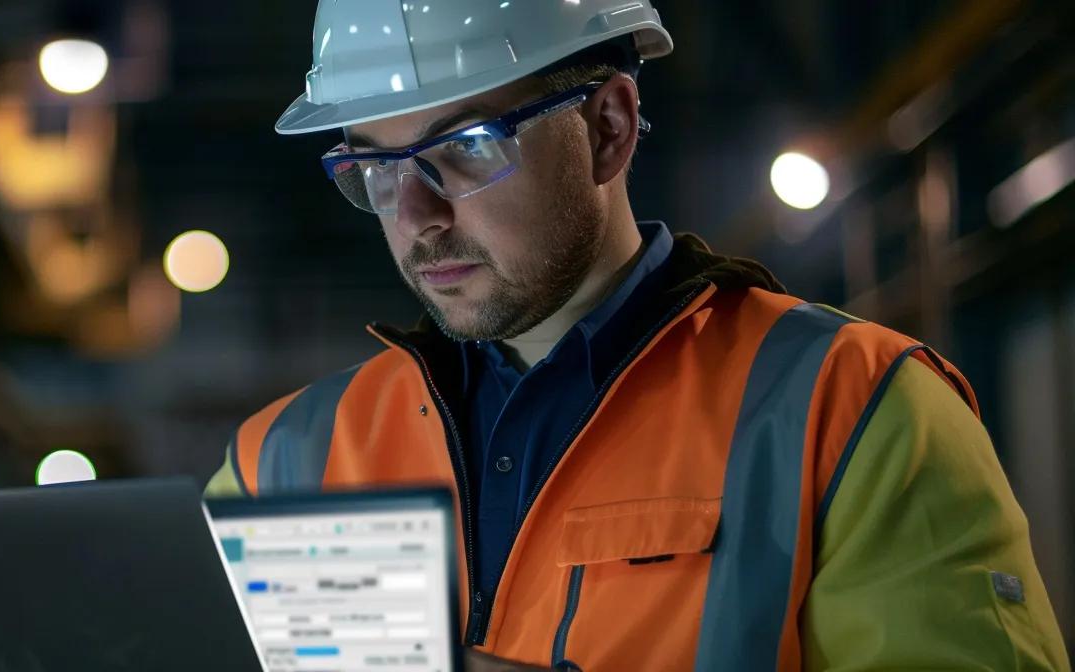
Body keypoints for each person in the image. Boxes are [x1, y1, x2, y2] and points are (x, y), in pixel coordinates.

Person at [203, 1, 1070, 669]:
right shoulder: (281, 461)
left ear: (607, 128)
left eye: (464, 146)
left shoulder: (851, 412)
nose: (417, 217)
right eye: (374, 169)